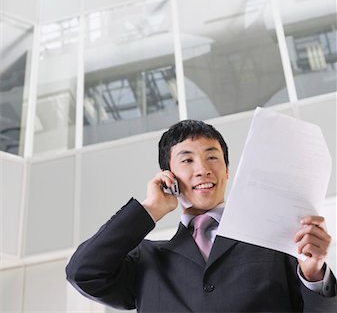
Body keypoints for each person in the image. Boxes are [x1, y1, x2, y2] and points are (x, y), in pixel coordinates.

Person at [66, 119, 336, 312]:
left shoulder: (277, 240)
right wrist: (150, 209)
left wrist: (313, 275)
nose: (203, 170)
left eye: (212, 158)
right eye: (187, 160)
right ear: (168, 176)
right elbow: (83, 273)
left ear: (227, 170)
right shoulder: (145, 261)